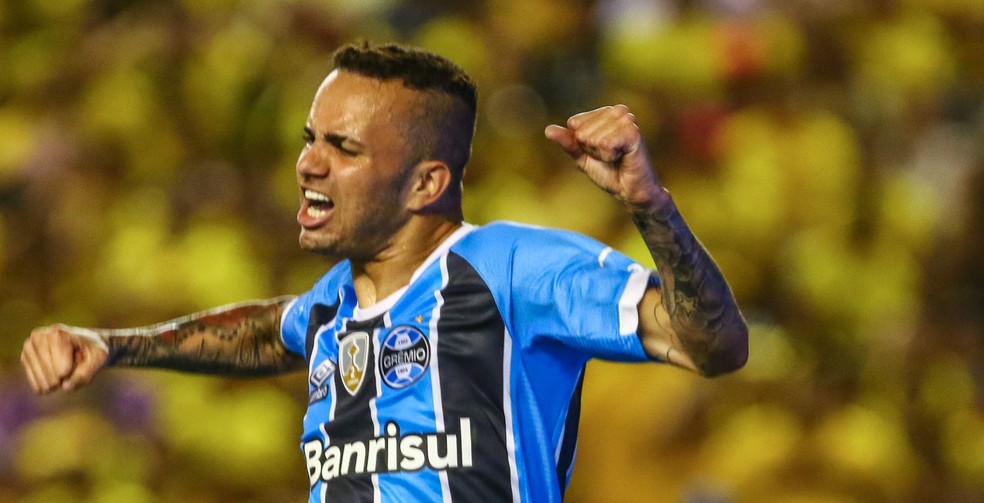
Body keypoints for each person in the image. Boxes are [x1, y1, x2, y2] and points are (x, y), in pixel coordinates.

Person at [20, 41, 748, 502]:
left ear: (426, 183)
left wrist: (651, 207)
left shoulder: (511, 270)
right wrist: (112, 345)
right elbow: (269, 332)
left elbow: (713, 345)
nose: (307, 163)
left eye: (343, 148)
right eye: (310, 139)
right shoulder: (332, 305)